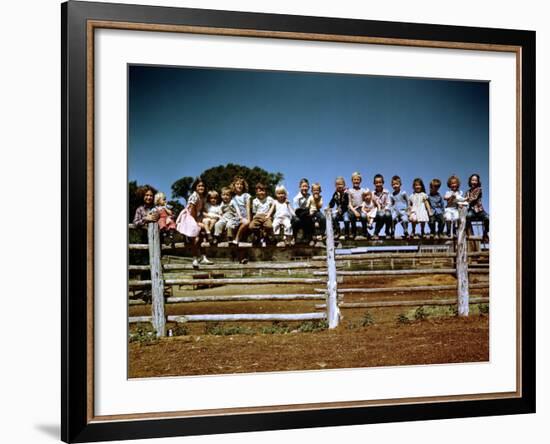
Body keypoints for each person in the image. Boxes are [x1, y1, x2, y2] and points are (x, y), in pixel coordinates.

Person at [176, 177, 213, 268]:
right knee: (196, 236)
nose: (201, 187)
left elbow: (202, 209)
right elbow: (192, 211)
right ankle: (195, 258)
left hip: (197, 216)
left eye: (203, 186)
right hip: (189, 217)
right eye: (199, 186)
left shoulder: (203, 197)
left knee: (203, 235)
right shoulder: (194, 196)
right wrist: (196, 222)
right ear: (196, 187)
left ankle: (203, 256)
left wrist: (209, 216)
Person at [465, 173, 489, 242]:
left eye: (476, 180)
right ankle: (467, 231)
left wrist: (465, 200)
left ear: (478, 182)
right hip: (472, 210)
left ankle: (485, 233)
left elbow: (474, 198)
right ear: (470, 181)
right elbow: (464, 199)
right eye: (472, 180)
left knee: (487, 218)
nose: (474, 182)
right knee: (468, 216)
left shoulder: (479, 189)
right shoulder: (467, 192)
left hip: (479, 209)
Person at [230, 176, 252, 245]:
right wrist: (240, 218)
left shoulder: (246, 195)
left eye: (241, 184)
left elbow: (248, 207)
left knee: (246, 223)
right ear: (234, 186)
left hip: (246, 215)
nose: (239, 186)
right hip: (238, 216)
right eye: (237, 184)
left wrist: (248, 219)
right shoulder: (233, 198)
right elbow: (236, 209)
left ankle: (237, 238)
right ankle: (233, 239)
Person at [346, 172, 369, 239]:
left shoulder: (363, 190)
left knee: (364, 216)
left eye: (358, 180)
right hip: (353, 208)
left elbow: (365, 201)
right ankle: (353, 232)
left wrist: (364, 208)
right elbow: (349, 203)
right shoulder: (350, 191)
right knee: (352, 216)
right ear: (352, 180)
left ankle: (364, 231)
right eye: (354, 179)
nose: (356, 181)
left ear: (360, 181)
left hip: (361, 208)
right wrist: (354, 211)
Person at [292, 178, 314, 243]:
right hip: (299, 216)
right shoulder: (296, 198)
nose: (305, 188)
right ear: (300, 187)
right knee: (296, 220)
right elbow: (297, 211)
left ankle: (310, 238)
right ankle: (295, 238)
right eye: (303, 186)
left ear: (309, 187)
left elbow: (313, 207)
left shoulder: (311, 197)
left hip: (308, 216)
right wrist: (306, 211)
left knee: (311, 218)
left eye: (306, 186)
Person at [372, 174, 392, 239]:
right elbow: (372, 204)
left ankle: (387, 231)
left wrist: (385, 209)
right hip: (376, 211)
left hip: (385, 210)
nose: (378, 184)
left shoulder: (386, 192)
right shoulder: (372, 193)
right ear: (374, 183)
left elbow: (388, 203)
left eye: (380, 182)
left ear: (383, 183)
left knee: (388, 214)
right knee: (381, 215)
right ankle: (376, 232)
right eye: (376, 183)